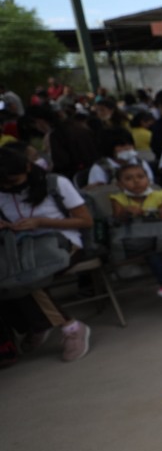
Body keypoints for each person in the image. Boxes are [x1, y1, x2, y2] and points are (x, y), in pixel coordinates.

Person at [0, 147, 93, 362]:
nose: (7, 187)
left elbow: (85, 221)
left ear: (27, 167)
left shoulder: (55, 183)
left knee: (28, 277)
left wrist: (42, 222)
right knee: (10, 277)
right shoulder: (3, 191)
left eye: (12, 181)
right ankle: (41, 324)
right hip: (24, 247)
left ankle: (70, 327)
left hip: (64, 242)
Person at [109, 162, 162, 300]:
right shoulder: (118, 198)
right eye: (128, 179)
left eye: (140, 176)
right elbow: (118, 219)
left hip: (159, 232)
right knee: (152, 250)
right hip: (136, 237)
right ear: (120, 184)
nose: (136, 181)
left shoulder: (158, 194)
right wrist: (126, 212)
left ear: (148, 179)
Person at [87, 128, 154, 187]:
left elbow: (151, 183)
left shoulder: (140, 163)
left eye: (130, 144)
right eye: (122, 146)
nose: (127, 148)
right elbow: (96, 192)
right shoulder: (100, 167)